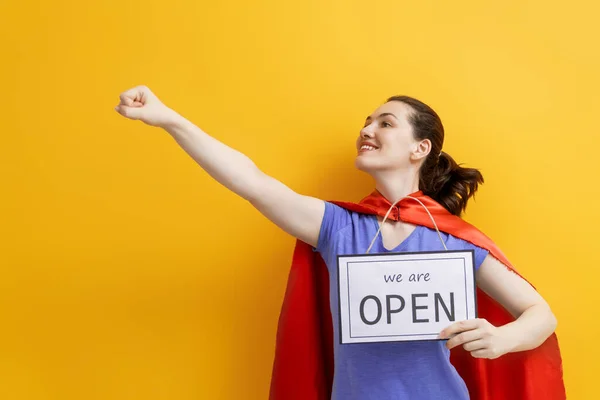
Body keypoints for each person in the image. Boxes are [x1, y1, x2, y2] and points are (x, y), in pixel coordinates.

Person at [115, 86, 562, 400]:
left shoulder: (454, 242)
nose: (367, 129)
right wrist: (169, 119)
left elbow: (541, 314)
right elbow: (251, 181)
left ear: (419, 148)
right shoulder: (337, 226)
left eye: (385, 123)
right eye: (366, 121)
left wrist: (502, 339)